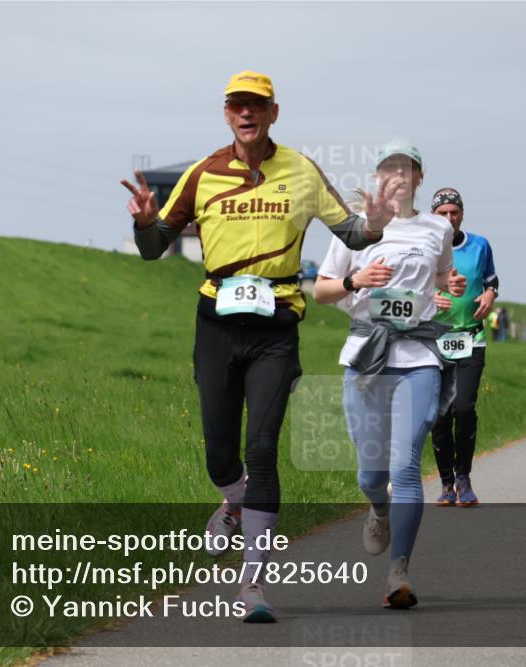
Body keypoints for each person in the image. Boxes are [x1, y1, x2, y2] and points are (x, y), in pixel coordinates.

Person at [121, 71, 391, 622]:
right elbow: (154, 249)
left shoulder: (301, 171)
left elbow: (354, 233)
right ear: (227, 114)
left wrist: (380, 224)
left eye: (256, 105)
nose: (246, 113)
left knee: (262, 449)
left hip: (276, 325)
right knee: (220, 453)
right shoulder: (203, 173)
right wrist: (147, 224)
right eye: (237, 105)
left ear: (273, 112)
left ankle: (253, 586)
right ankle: (232, 499)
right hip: (216, 323)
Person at [313, 139, 466, 609]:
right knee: (370, 473)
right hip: (365, 356)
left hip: (417, 357)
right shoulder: (353, 229)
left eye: (407, 168)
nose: (398, 175)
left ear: (419, 178)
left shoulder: (438, 227)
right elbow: (320, 291)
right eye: (389, 167)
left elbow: (440, 274)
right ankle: (377, 508)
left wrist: (449, 284)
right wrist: (357, 281)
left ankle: (399, 571)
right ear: (378, 177)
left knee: (405, 466)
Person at [428, 188, 499, 507]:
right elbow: (407, 285)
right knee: (440, 414)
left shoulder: (480, 245)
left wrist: (489, 296)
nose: (448, 218)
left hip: (471, 336)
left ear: (462, 214)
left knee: (464, 408)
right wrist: (428, 297)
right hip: (433, 338)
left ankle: (463, 477)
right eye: (442, 213)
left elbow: (491, 281)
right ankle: (445, 482)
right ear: (433, 216)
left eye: (453, 212)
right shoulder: (424, 247)